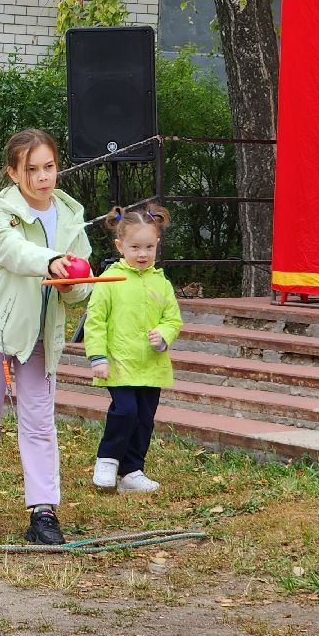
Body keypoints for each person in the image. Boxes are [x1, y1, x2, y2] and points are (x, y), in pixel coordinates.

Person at [0, 129, 92, 545]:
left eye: (49, 167)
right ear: (13, 173)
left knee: (39, 424)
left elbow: (84, 281)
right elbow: (9, 252)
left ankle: (43, 512)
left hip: (42, 340)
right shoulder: (3, 209)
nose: (43, 177)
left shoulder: (71, 215)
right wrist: (52, 261)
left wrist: (72, 286)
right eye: (31, 169)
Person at [85, 204, 183, 493]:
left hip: (152, 366)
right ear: (120, 246)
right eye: (135, 247)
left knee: (144, 419)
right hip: (119, 363)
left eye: (149, 247)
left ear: (157, 245)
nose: (142, 254)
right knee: (125, 411)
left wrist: (164, 334)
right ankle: (107, 460)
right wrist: (98, 357)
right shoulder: (109, 281)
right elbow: (95, 321)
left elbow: (173, 318)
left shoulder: (161, 282)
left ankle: (132, 471)